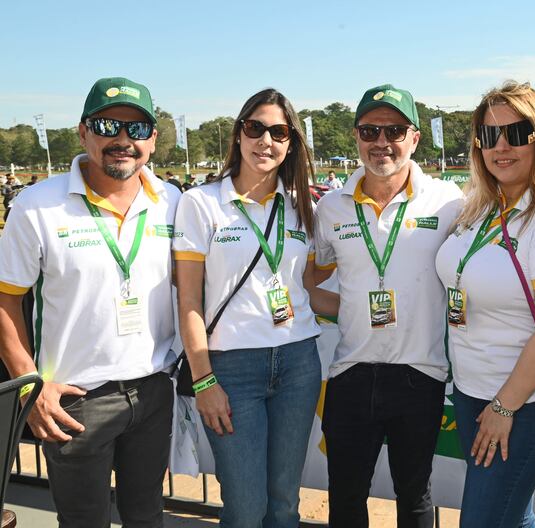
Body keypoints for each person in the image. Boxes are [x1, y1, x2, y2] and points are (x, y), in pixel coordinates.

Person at [0, 77, 179, 526]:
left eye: (137, 130)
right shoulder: (37, 205)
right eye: (107, 125)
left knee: (147, 516)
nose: (123, 141)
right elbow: (5, 302)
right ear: (83, 132)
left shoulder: (173, 202)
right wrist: (29, 385)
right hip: (74, 401)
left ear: (153, 140)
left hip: (154, 389)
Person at [174, 88, 337, 528]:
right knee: (245, 509)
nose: (266, 141)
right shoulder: (201, 203)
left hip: (299, 362)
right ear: (239, 134)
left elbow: (305, 283)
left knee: (284, 503)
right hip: (231, 368)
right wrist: (204, 378)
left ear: (291, 144)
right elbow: (188, 301)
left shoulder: (305, 206)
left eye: (278, 132)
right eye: (256, 128)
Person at [435, 81, 535, 527]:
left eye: (516, 133)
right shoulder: (481, 207)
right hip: (471, 391)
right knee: (512, 514)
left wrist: (506, 407)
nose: (500, 146)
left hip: (525, 403)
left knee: (484, 520)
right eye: (488, 136)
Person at [314, 84, 464, 527]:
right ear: (356, 137)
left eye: (395, 131)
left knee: (415, 497)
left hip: (420, 374)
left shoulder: (449, 201)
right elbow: (307, 280)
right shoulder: (331, 207)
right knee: (345, 497)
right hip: (350, 372)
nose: (382, 142)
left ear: (415, 138)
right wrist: (349, 307)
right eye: (370, 131)